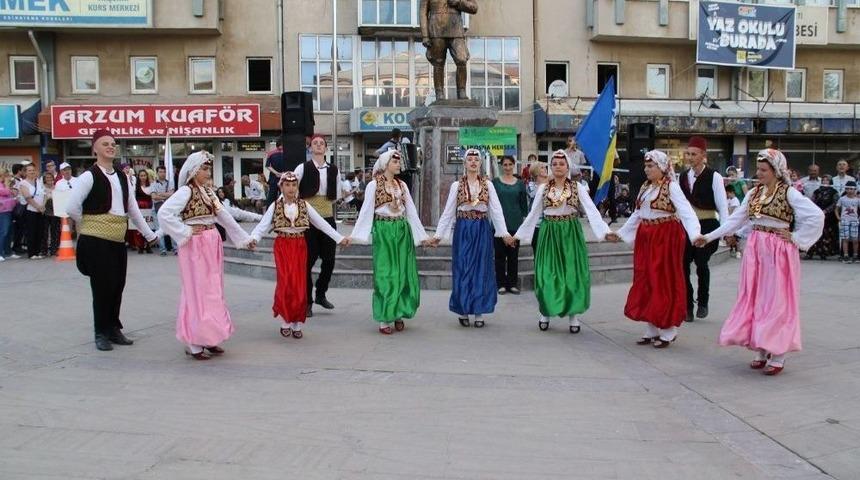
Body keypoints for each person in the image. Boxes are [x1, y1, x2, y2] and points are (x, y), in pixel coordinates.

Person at [694, 148, 824, 376]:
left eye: (764, 170)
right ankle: (761, 349)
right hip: (756, 249)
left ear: (776, 171)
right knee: (755, 297)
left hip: (779, 251)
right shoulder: (754, 193)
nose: (759, 173)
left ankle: (779, 353)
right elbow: (736, 220)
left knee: (777, 300)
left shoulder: (789, 193)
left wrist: (796, 238)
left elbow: (816, 216)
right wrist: (708, 237)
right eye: (758, 169)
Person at [157, 151, 256, 360]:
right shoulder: (185, 192)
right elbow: (164, 213)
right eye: (203, 168)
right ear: (193, 171)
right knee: (196, 291)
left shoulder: (209, 193)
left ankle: (210, 337)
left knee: (213, 289)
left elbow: (225, 217)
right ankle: (194, 342)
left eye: (208, 168)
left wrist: (244, 239)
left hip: (211, 243)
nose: (207, 171)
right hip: (195, 245)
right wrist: (184, 231)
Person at [67, 129, 158, 351]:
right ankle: (100, 331)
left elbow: (132, 208)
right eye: (105, 143)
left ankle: (113, 328)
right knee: (101, 287)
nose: (110, 146)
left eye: (113, 143)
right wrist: (90, 224)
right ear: (95, 149)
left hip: (117, 238)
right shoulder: (89, 176)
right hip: (96, 239)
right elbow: (71, 207)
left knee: (117, 284)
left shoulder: (122, 176)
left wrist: (149, 234)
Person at [514, 150, 613, 333]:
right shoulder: (543, 188)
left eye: (561, 164)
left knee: (571, 274)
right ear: (551, 167)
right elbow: (534, 213)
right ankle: (545, 311)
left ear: (568, 166)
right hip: (549, 232)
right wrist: (518, 235)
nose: (558, 167)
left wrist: (605, 232)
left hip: (570, 232)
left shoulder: (577, 187)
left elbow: (591, 210)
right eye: (555, 164)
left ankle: (573, 315)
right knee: (546, 273)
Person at [615, 150, 701, 348]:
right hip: (646, 236)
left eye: (651, 166)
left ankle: (669, 329)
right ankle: (652, 326)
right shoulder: (645, 187)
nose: (646, 170)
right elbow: (638, 214)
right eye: (646, 166)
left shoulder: (672, 187)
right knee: (645, 278)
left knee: (663, 278)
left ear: (662, 167)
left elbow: (686, 212)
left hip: (666, 235)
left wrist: (695, 234)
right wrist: (620, 233)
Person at [251, 172, 349, 339]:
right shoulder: (275, 205)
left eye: (294, 185)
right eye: (287, 185)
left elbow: (321, 223)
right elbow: (262, 225)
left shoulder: (304, 205)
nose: (291, 188)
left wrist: (339, 238)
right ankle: (286, 319)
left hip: (299, 245)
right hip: (283, 245)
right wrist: (253, 238)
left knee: (299, 282)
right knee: (285, 282)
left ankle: (297, 321)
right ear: (281, 187)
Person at [429, 149, 512, 328]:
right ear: (465, 163)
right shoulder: (456, 186)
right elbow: (448, 212)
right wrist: (438, 235)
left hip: (482, 227)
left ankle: (479, 311)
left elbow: (496, 211)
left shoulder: (488, 185)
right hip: (464, 228)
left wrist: (503, 233)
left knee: (481, 269)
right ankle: (464, 309)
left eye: (476, 159)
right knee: (463, 267)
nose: (473, 162)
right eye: (470, 159)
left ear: (480, 163)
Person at [351, 151, 430, 334]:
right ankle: (384, 317)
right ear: (386, 163)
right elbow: (366, 211)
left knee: (402, 272)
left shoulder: (401, 185)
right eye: (395, 161)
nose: (398, 164)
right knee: (386, 273)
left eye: (399, 161)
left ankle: (398, 313)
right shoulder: (373, 185)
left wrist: (422, 236)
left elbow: (411, 211)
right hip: (384, 230)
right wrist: (355, 236)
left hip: (402, 230)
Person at [678, 136, 729, 321]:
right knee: (683, 264)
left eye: (694, 154)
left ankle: (703, 302)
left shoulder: (714, 176)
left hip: (708, 225)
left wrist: (725, 231)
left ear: (703, 155)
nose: (690, 157)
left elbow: (722, 206)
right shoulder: (683, 177)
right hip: (688, 226)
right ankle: (687, 306)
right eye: (688, 154)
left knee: (701, 263)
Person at [295, 135, 343, 317]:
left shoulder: (334, 170)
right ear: (310, 148)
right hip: (308, 219)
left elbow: (336, 193)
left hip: (328, 216)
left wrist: (324, 204)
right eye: (315, 143)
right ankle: (307, 301)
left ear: (326, 148)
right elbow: (292, 186)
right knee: (307, 261)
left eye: (322, 143)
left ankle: (321, 293)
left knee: (329, 260)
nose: (318, 145)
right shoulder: (303, 167)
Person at [492, 155, 529, 295]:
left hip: (515, 223)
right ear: (501, 166)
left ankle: (512, 284)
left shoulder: (520, 184)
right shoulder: (495, 182)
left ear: (514, 165)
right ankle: (500, 284)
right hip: (498, 225)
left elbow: (523, 204)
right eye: (505, 165)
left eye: (509, 164)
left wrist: (525, 222)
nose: (507, 167)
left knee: (513, 255)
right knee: (499, 256)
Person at [16, 164, 46, 259]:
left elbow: (44, 194)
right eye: (29, 170)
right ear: (25, 172)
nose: (32, 172)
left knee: (39, 231)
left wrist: (43, 206)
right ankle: (32, 253)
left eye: (33, 170)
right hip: (30, 210)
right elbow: (27, 197)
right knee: (31, 231)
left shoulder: (38, 181)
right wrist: (38, 207)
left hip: (40, 210)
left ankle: (37, 252)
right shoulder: (23, 183)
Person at [807, 175, 840, 260]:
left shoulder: (834, 192)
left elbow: (835, 204)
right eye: (823, 180)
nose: (825, 182)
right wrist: (816, 211)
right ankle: (813, 252)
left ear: (830, 182)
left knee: (827, 234)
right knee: (815, 233)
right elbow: (812, 202)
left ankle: (826, 252)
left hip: (829, 217)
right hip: (817, 215)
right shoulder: (817, 191)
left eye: (827, 181)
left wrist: (825, 211)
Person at [150, 165, 175, 255]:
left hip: (169, 209)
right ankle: (162, 250)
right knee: (159, 229)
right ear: (157, 173)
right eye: (160, 172)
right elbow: (154, 197)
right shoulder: (153, 184)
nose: (162, 174)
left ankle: (175, 248)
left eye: (164, 172)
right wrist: (166, 195)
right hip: (156, 208)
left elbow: (172, 194)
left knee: (172, 227)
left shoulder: (170, 183)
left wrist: (160, 194)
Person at [526, 161, 548, 254]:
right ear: (536, 171)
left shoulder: (551, 184)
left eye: (545, 167)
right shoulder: (531, 186)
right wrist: (545, 183)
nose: (545, 169)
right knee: (539, 254)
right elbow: (533, 195)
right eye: (542, 167)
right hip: (537, 225)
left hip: (550, 224)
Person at [836, 181, 860, 263]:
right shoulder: (842, 199)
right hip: (844, 220)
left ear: (855, 189)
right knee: (845, 238)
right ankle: (845, 255)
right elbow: (837, 209)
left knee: (855, 239)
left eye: (851, 189)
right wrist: (838, 217)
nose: (849, 190)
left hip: (854, 220)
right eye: (847, 188)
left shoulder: (857, 200)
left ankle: (855, 255)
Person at [131, 169, 154, 254]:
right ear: (139, 177)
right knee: (139, 228)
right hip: (139, 208)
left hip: (149, 207)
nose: (143, 177)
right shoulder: (135, 187)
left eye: (144, 175)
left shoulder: (151, 186)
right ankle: (140, 246)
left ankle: (148, 246)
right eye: (141, 176)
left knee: (149, 227)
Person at [40, 172, 61, 257]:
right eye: (47, 178)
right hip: (44, 213)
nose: (49, 179)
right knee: (44, 232)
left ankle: (54, 250)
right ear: (44, 179)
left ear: (53, 179)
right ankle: (44, 250)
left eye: (50, 178)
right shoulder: (41, 188)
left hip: (55, 213)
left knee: (55, 232)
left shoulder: (57, 188)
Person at [0, 168, 16, 261]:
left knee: (9, 232)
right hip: (2, 211)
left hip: (9, 210)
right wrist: (7, 184)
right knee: (3, 232)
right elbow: (5, 192)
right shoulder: (3, 185)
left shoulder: (4, 185)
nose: (7, 177)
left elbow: (10, 194)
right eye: (5, 175)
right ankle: (0, 253)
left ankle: (8, 251)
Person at [265, 141, 286, 206]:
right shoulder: (271, 153)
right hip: (279, 178)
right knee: (276, 197)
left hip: (278, 178)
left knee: (274, 197)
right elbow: (267, 165)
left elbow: (267, 166)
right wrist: (278, 173)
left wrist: (277, 173)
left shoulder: (270, 153)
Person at [725, 185, 741, 258]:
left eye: (728, 193)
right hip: (730, 221)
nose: (727, 195)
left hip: (735, 221)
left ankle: (738, 251)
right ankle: (732, 249)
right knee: (729, 236)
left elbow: (730, 211)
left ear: (732, 192)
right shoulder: (729, 200)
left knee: (735, 236)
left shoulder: (735, 200)